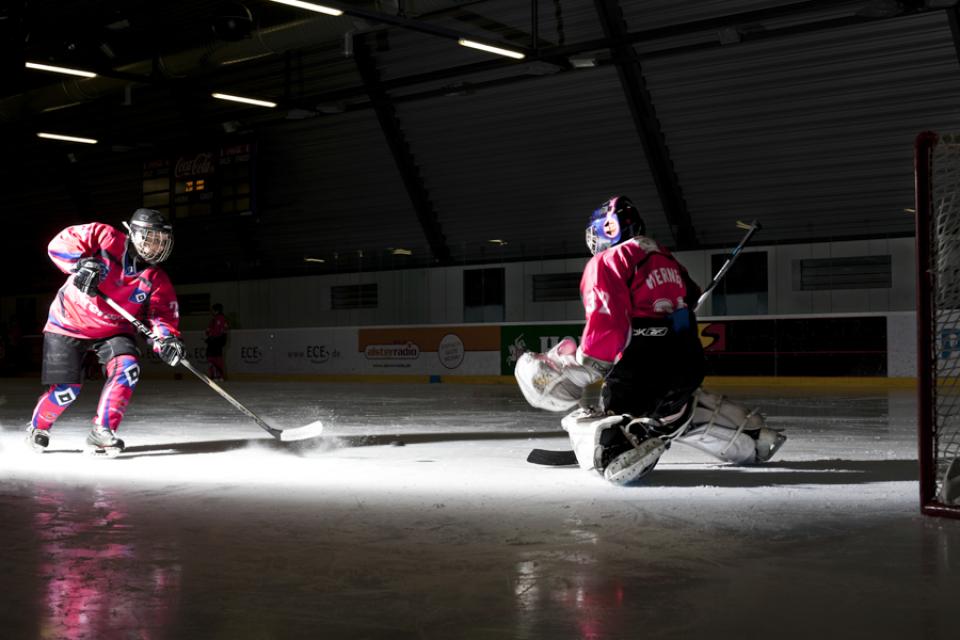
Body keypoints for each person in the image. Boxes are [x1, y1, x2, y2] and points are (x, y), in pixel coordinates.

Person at [515, 195, 785, 485]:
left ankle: (615, 447)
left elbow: (609, 322)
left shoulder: (606, 261)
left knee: (596, 414)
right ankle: (749, 436)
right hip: (688, 362)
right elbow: (691, 296)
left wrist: (586, 367)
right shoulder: (663, 256)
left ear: (608, 230)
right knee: (676, 408)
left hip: (641, 369)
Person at [25, 208, 185, 456]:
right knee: (66, 392)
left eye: (162, 241)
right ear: (132, 233)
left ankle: (102, 432)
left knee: (128, 367)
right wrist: (79, 265)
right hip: (68, 322)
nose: (156, 246)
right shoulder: (104, 236)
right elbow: (60, 243)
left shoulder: (155, 277)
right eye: (150, 238)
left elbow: (160, 314)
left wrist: (166, 338)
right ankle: (38, 426)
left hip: (114, 329)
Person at [205, 303, 229, 381]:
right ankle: (218, 375)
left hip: (215, 340)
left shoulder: (219, 318)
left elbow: (216, 331)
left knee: (213, 358)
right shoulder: (218, 318)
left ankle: (216, 375)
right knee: (216, 357)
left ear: (216, 310)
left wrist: (210, 335)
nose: (212, 311)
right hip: (217, 340)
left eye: (213, 310)